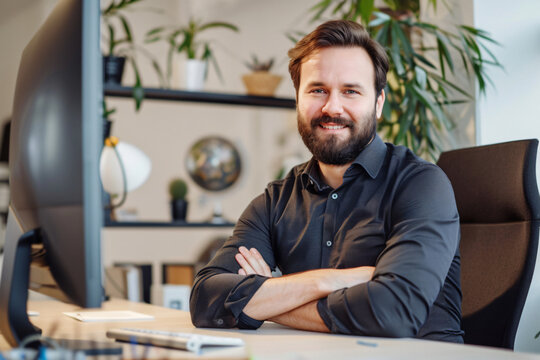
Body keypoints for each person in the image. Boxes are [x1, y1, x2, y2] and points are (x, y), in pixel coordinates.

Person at [190, 19, 463, 342]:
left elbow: (392, 314)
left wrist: (267, 300)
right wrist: (326, 282)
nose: (332, 107)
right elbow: (205, 300)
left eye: (350, 91)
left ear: (378, 104)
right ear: (298, 100)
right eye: (317, 90)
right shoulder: (277, 199)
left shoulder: (420, 185)